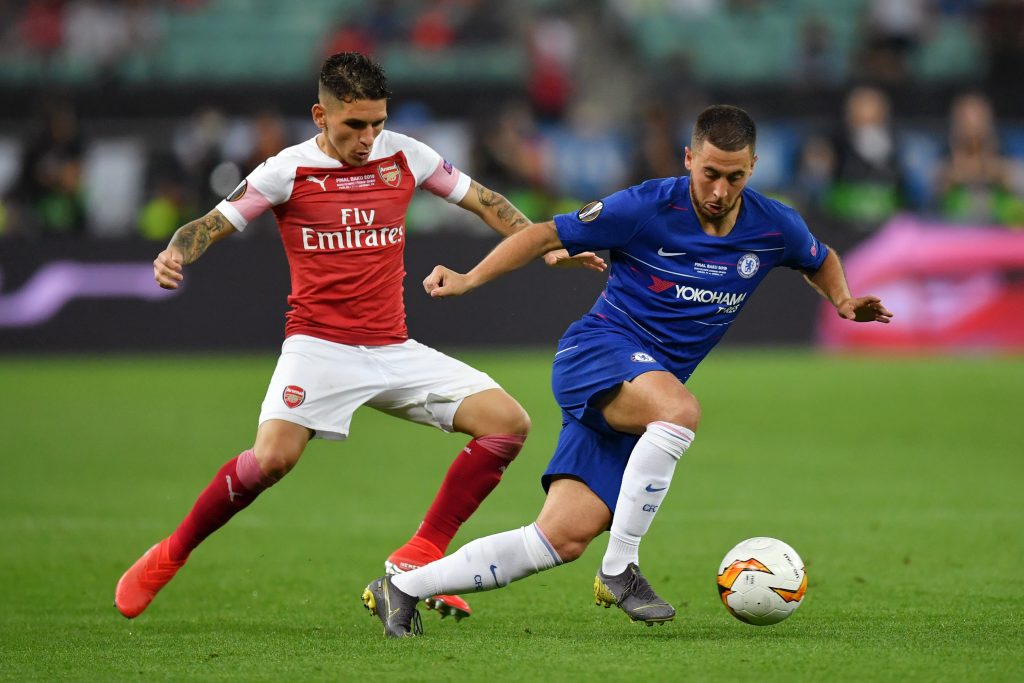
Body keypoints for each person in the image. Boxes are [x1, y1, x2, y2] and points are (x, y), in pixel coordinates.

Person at [362, 104, 893, 637]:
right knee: (681, 411)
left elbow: (817, 257)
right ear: (689, 159)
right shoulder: (645, 206)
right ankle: (620, 567)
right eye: (709, 174)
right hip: (596, 354)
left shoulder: (773, 225)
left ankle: (404, 587)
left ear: (752, 168)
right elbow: (545, 234)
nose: (719, 191)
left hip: (638, 402)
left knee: (559, 540)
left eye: (734, 177)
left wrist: (843, 300)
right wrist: (468, 279)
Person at [114, 52, 604, 622]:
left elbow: (486, 201)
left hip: (392, 347)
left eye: (377, 122)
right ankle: (171, 553)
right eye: (355, 125)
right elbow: (212, 223)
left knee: (508, 423)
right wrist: (176, 250)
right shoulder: (286, 170)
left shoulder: (408, 155)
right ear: (320, 115)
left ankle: (419, 554)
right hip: (318, 347)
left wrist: (549, 245)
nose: (369, 137)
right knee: (272, 459)